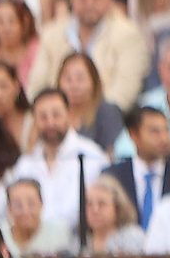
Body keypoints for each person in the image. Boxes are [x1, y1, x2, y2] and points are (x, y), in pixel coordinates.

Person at [30, 0, 150, 110]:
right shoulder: (51, 34)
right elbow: (36, 87)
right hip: (56, 119)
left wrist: (92, 118)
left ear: (110, 0)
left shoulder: (129, 35)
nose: (89, 3)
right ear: (72, 1)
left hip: (105, 122)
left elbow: (124, 92)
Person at [13, 87, 111, 228]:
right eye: (43, 117)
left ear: (69, 114)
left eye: (56, 115)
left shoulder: (92, 156)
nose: (50, 123)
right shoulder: (25, 164)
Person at [104, 105, 170, 226]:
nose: (164, 138)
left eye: (166, 130)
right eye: (155, 132)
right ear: (134, 135)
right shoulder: (114, 177)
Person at [54, 52, 122, 152]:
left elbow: (112, 154)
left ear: (93, 82)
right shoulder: (52, 115)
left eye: (80, 79)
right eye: (68, 79)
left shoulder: (107, 112)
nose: (74, 86)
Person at [1, 177, 75, 256]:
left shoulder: (58, 233)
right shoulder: (2, 237)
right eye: (18, 205)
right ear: (9, 209)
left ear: (41, 204)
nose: (26, 211)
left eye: (31, 203)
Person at [80, 174, 147, 253]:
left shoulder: (134, 238)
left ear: (118, 207)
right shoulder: (77, 241)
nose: (95, 210)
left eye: (102, 204)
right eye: (89, 204)